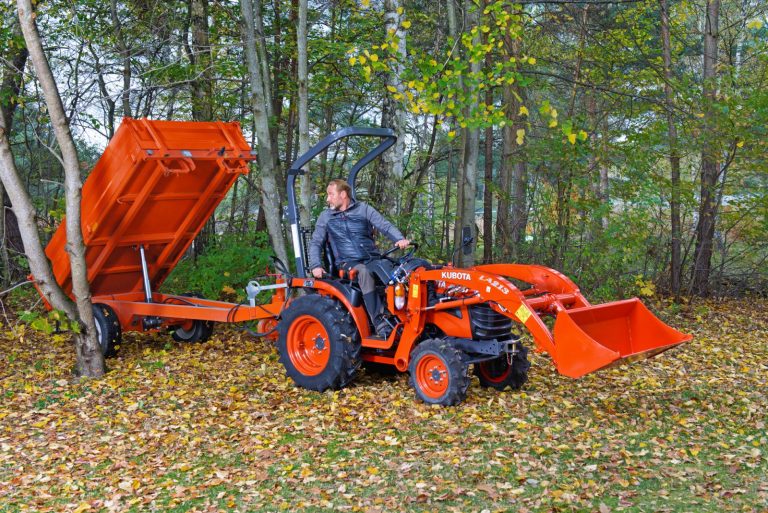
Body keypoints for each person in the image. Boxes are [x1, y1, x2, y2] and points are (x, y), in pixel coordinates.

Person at [308, 179, 410, 335]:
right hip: (347, 262)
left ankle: (405, 315)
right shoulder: (326, 216)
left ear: (343, 194)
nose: (328, 199)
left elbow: (384, 225)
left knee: (400, 271)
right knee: (363, 272)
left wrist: (399, 239)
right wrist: (315, 265)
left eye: (331, 194)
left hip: (371, 258)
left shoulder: (363, 209)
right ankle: (379, 321)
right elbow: (315, 242)